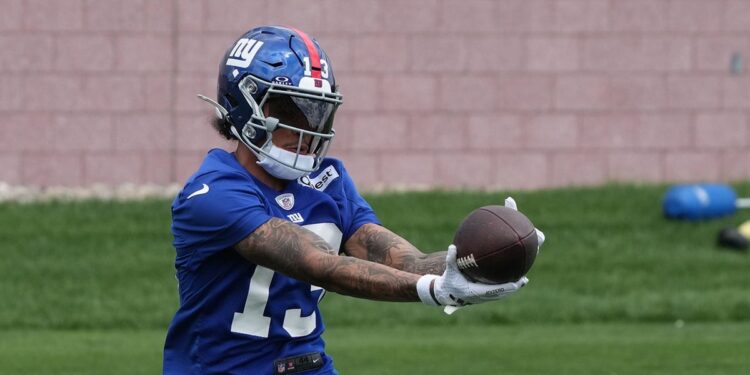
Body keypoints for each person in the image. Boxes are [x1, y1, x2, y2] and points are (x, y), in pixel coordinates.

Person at [163, 25, 544, 375]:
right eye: (288, 110)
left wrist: (467, 265)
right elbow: (319, 264)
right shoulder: (212, 193)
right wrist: (430, 291)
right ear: (245, 106)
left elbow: (400, 259)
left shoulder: (327, 180)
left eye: (316, 112)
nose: (306, 128)